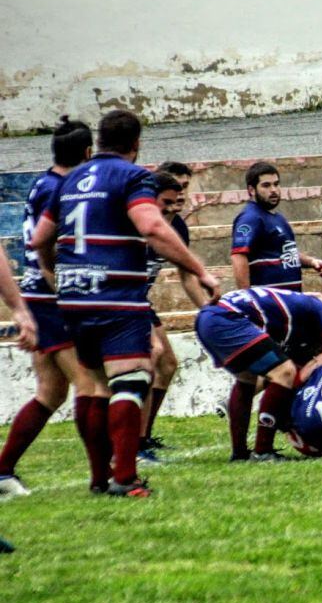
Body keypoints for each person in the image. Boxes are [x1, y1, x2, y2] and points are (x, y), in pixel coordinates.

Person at [31, 110, 221, 497]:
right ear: (136, 144)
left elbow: (39, 239)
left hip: (74, 297)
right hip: (117, 293)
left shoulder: (68, 180)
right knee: (132, 378)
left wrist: (58, 274)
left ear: (97, 142)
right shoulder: (134, 177)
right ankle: (126, 478)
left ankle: (100, 479)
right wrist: (200, 269)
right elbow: (151, 227)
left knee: (98, 386)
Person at [0, 118, 94, 499]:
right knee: (89, 383)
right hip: (50, 299)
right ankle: (107, 472)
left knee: (52, 392)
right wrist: (65, 292)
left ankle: (3, 471)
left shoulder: (43, 182)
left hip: (37, 297)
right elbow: (46, 249)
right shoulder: (63, 189)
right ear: (87, 154)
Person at [195, 286, 322, 461]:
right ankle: (263, 451)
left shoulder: (295, 323)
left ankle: (239, 454)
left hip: (207, 319)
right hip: (228, 318)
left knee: (247, 380)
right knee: (285, 372)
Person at [137, 171, 209, 462]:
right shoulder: (138, 222)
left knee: (167, 363)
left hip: (139, 301)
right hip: (121, 301)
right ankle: (134, 444)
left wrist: (207, 308)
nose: (180, 196)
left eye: (185, 188)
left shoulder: (178, 226)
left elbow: (187, 276)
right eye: (175, 190)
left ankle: (144, 436)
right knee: (151, 359)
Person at [231, 162, 322, 292]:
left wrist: (312, 262)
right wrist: (247, 297)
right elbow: (238, 255)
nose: (273, 190)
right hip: (268, 304)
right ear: (251, 190)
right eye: (266, 185)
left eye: (276, 184)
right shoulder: (250, 218)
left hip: (288, 302)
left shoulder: (278, 218)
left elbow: (286, 254)